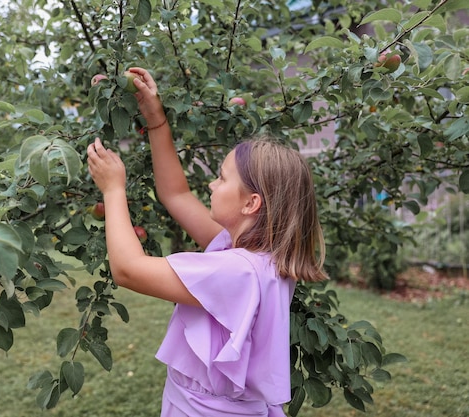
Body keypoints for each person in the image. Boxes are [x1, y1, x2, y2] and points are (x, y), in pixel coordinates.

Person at [86, 67, 328, 417]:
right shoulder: (254, 254)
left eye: (221, 177)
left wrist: (113, 189)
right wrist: (156, 119)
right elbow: (176, 194)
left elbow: (127, 270)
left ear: (251, 203)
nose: (212, 185)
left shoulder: (237, 272)